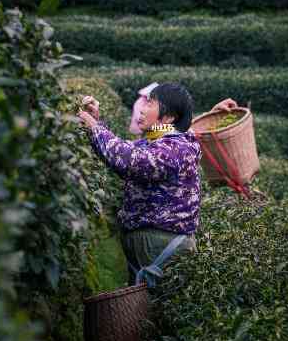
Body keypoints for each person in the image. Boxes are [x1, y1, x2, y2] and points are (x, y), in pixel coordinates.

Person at [78, 83, 204, 289]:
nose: (142, 109)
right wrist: (97, 122)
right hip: (151, 243)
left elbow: (130, 161)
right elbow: (122, 151)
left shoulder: (176, 148)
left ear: (169, 117)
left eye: (151, 104)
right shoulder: (159, 141)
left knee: (153, 313)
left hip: (162, 244)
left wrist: (95, 127)